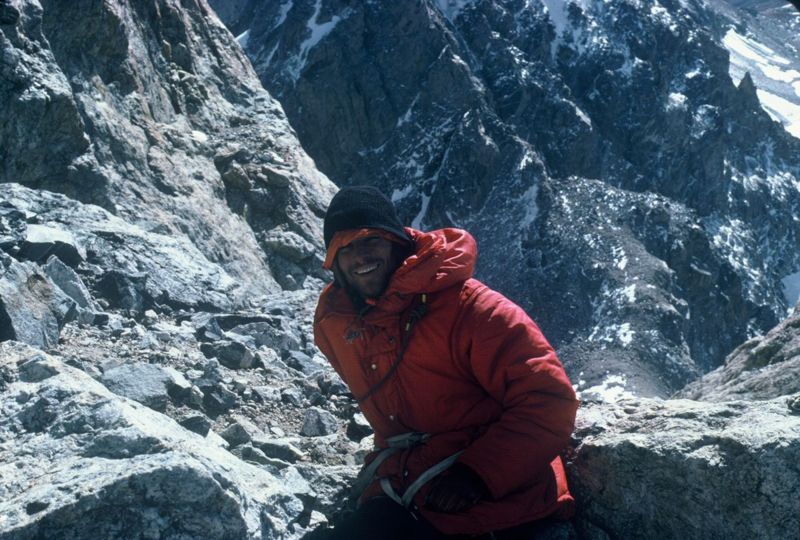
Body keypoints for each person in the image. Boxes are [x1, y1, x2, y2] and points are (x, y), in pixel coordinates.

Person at [309, 186, 579, 539]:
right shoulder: (337, 324)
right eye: (343, 247)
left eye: (370, 240)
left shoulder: (474, 310)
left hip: (495, 497)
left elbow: (549, 401)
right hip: (409, 487)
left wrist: (478, 475)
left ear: (398, 243)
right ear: (335, 264)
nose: (359, 256)